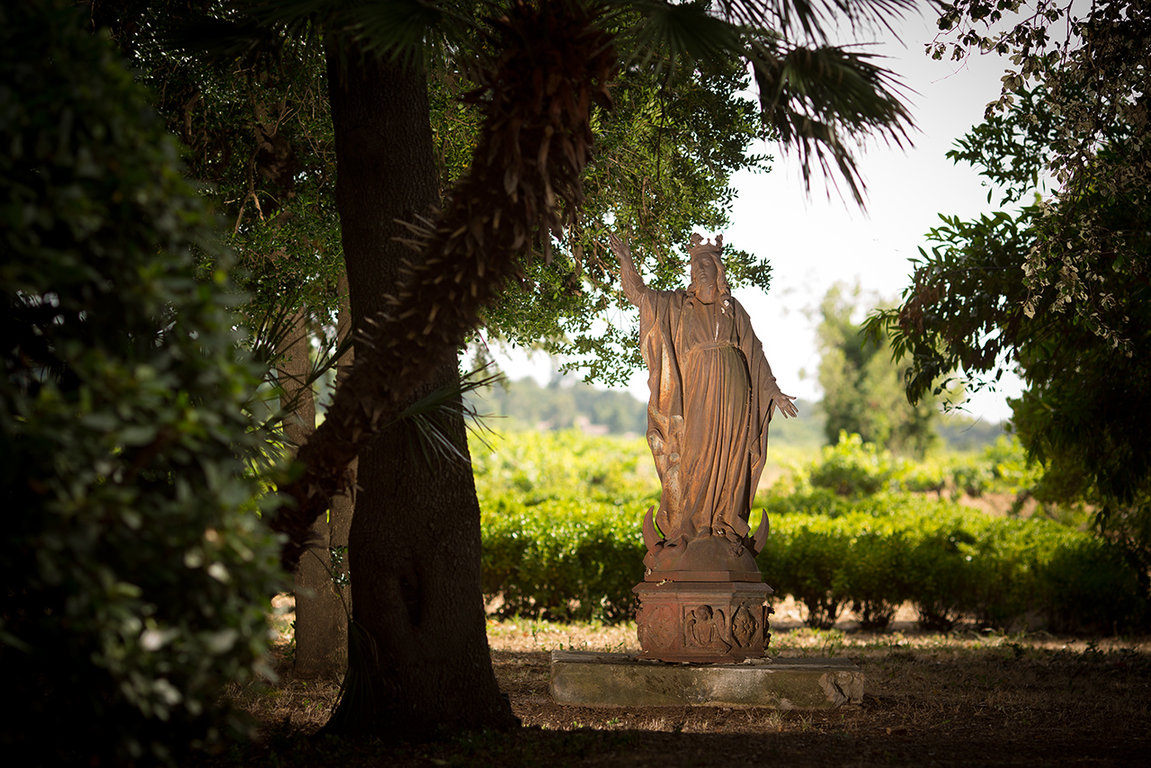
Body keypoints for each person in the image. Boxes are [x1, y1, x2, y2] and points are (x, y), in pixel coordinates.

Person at [610, 232, 797, 576]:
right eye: (695, 265)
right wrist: (626, 261)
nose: (700, 270)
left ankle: (723, 524)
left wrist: (772, 391)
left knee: (731, 454)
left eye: (706, 264)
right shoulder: (679, 305)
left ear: (718, 269)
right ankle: (690, 526)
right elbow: (639, 295)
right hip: (698, 386)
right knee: (694, 450)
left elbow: (754, 353)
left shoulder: (733, 308)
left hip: (734, 388)